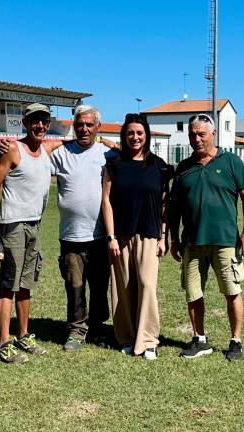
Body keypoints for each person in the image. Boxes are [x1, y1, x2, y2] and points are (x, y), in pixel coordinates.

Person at [0, 105, 116, 352]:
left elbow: (134, 155)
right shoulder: (61, 152)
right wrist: (6, 146)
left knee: (99, 284)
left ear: (98, 128)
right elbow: (31, 153)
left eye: (89, 125)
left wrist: (113, 144)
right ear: (74, 126)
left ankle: (97, 327)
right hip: (71, 235)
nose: (84, 129)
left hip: (101, 234)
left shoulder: (108, 154)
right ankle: (76, 329)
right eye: (80, 124)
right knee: (74, 286)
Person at [169, 113, 244, 362]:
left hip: (226, 242)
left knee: (232, 292)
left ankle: (236, 341)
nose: (196, 138)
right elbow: (174, 209)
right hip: (192, 243)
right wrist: (174, 239)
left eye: (201, 134)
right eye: (192, 134)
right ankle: (200, 340)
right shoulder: (184, 168)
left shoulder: (231, 162)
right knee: (193, 293)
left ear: (213, 134)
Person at [0, 103, 53, 364]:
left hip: (35, 225)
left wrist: (108, 143)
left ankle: (23, 335)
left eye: (44, 121)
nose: (40, 125)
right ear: (25, 122)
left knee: (26, 285)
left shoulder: (47, 148)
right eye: (35, 121)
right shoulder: (13, 149)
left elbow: (76, 140)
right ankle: (3, 343)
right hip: (13, 225)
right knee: (8, 285)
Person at [101, 113, 172, 360]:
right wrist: (110, 237)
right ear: (124, 135)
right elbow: (106, 202)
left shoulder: (159, 165)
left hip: (149, 234)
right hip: (120, 235)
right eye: (130, 133)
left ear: (147, 135)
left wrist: (164, 237)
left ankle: (148, 339)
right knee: (123, 287)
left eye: (139, 133)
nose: (135, 137)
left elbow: (165, 205)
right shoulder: (114, 165)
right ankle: (127, 337)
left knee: (147, 285)